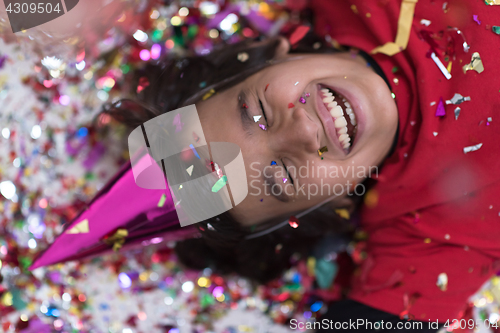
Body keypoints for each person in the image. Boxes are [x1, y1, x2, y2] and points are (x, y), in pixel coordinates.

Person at [32, 0, 500, 332]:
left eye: (255, 111)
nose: (301, 132)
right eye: (282, 177)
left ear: (273, 54)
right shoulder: (430, 232)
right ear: (333, 200)